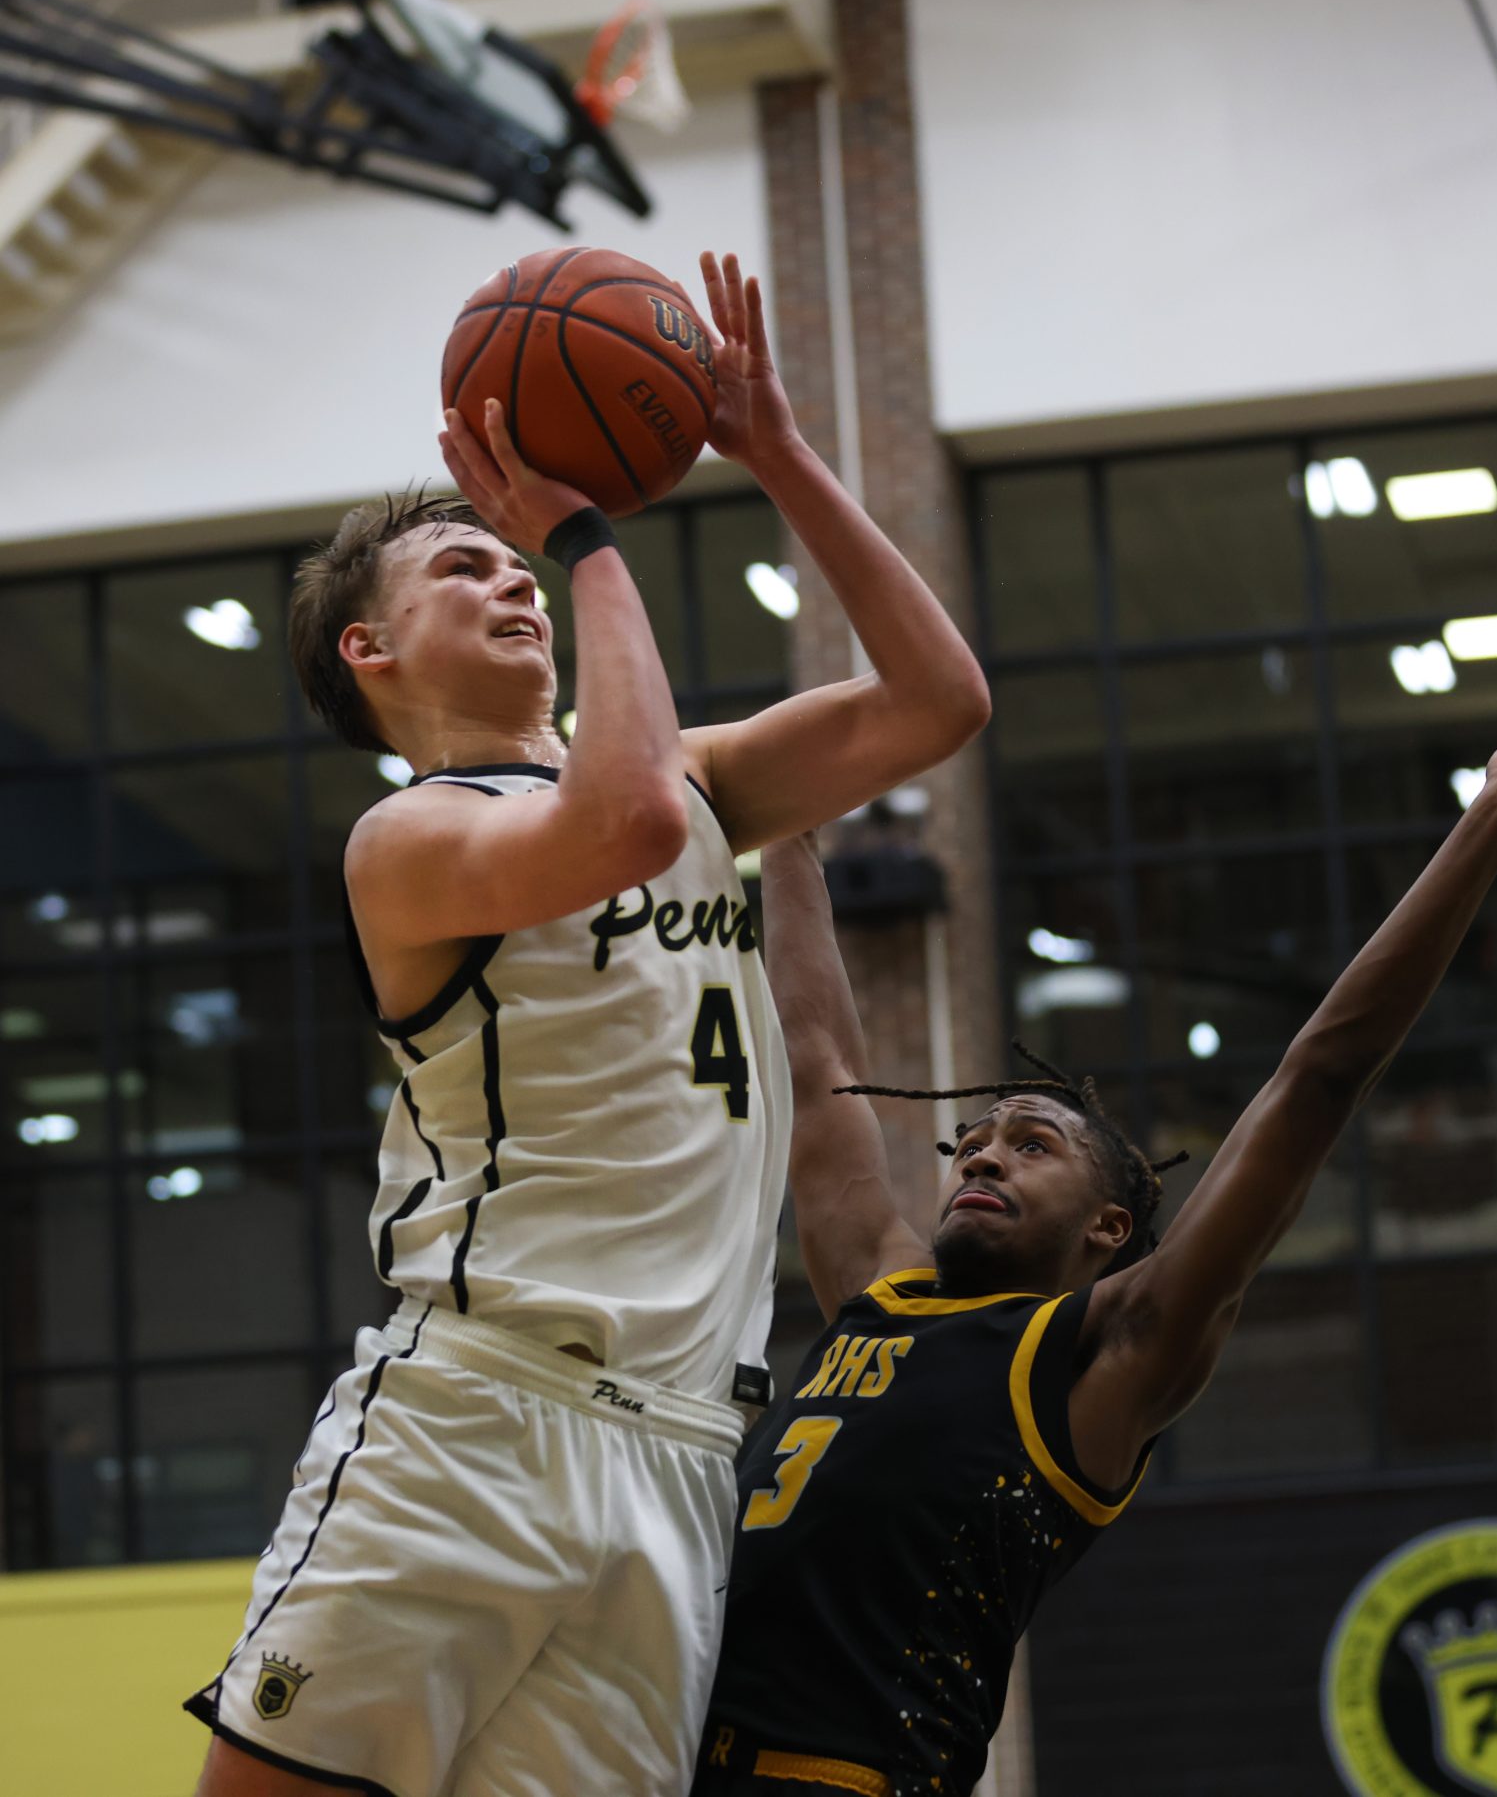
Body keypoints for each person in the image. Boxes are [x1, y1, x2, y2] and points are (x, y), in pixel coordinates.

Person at [185, 252, 990, 1797]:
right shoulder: (411, 840)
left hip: (681, 1450)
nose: (514, 583)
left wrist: (778, 455)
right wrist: (587, 539)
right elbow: (619, 820)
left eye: (519, 567)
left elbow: (939, 701)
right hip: (479, 1412)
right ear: (369, 651)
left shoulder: (691, 780)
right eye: (463, 571)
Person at [696, 706, 1497, 1797]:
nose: (982, 1154)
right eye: (973, 1141)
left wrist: (1492, 812)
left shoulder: (1110, 1353)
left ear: (1108, 1229)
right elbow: (815, 1059)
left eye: (1032, 1145)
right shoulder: (881, 1292)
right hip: (669, 1758)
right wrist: (786, 823)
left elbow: (1318, 1079)